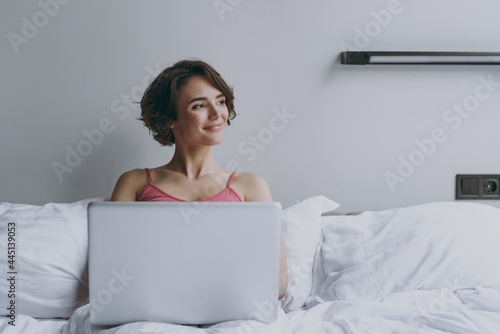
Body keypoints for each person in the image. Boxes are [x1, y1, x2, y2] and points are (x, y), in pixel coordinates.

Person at [110, 59, 288, 299]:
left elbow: (277, 283)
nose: (217, 114)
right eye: (199, 106)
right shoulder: (135, 182)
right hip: (154, 306)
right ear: (169, 119)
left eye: (221, 101)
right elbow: (113, 270)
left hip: (230, 307)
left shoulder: (250, 185)